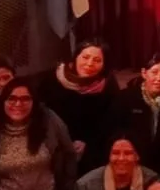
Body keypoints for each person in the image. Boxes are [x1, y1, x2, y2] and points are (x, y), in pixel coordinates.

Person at [36, 38, 116, 176]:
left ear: (104, 65)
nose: (89, 64)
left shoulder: (108, 85)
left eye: (97, 60)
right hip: (53, 145)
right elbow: (39, 114)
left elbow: (111, 122)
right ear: (75, 58)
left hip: (92, 149)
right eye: (85, 57)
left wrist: (87, 144)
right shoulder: (52, 79)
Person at [111, 52, 160, 176]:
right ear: (144, 73)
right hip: (131, 161)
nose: (159, 78)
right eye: (154, 72)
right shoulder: (126, 98)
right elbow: (115, 131)